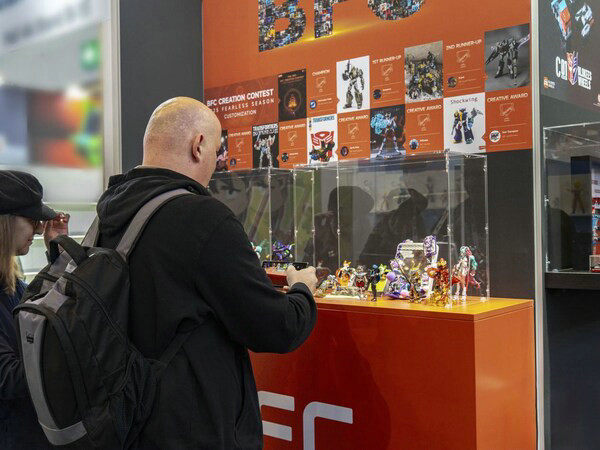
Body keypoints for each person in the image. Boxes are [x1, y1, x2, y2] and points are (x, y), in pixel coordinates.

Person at [95, 97, 318, 449]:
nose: (216, 163)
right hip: (192, 428)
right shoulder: (203, 219)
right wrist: (302, 291)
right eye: (216, 151)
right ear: (198, 145)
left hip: (120, 423)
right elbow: (276, 328)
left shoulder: (106, 216)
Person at [0, 170, 69, 449]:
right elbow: (8, 378)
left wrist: (57, 255)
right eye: (32, 220)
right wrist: (68, 355)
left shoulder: (10, 281)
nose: (40, 229)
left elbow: (36, 309)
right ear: (5, 223)